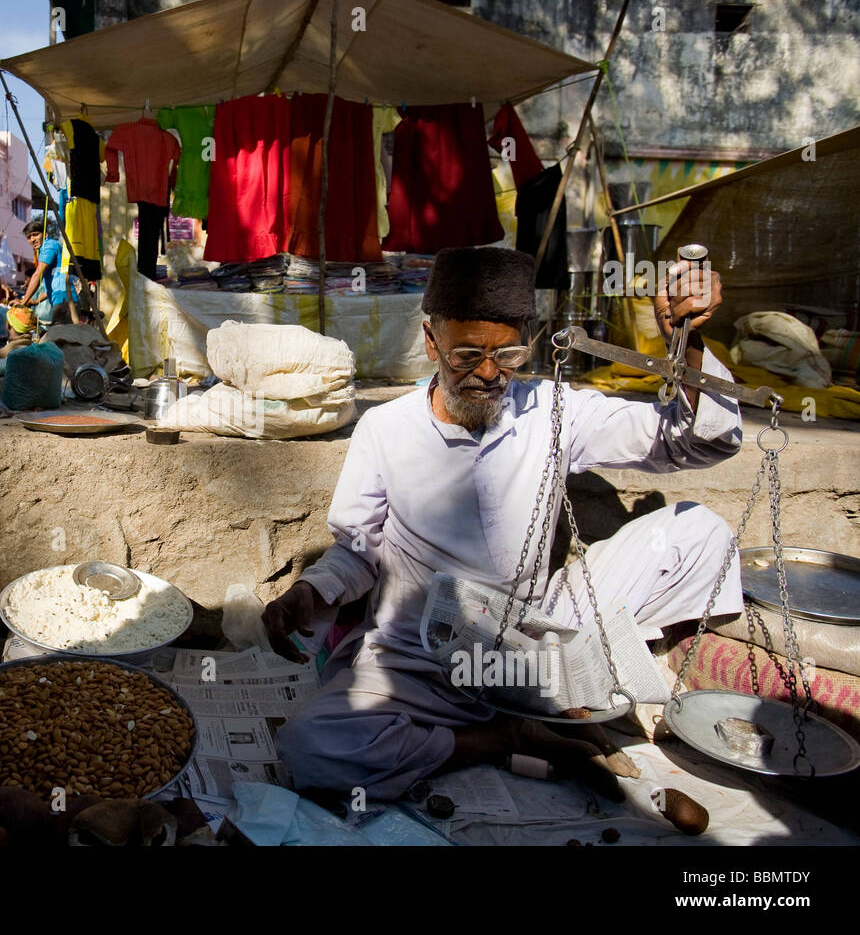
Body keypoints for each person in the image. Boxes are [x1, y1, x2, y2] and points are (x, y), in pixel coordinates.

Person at [267, 246, 744, 802]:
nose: (490, 374)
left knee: (699, 532)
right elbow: (358, 551)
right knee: (311, 747)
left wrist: (687, 344)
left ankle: (559, 701)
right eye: (468, 353)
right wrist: (307, 592)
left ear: (531, 342)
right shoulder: (385, 429)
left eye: (509, 354)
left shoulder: (553, 408)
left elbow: (698, 440)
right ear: (431, 342)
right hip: (419, 665)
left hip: (531, 638)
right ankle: (502, 737)